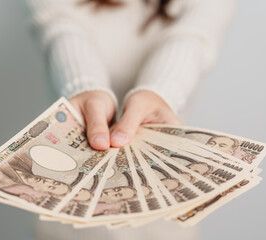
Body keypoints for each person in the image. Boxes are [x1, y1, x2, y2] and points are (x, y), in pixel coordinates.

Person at [29, 0, 236, 239]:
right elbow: (63, 32)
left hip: (164, 218)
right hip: (67, 219)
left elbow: (190, 39)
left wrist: (159, 94)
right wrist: (85, 89)